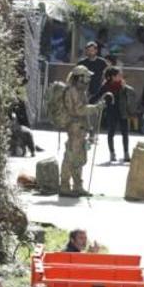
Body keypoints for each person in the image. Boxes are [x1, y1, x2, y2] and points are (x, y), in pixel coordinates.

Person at [55, 65, 97, 197]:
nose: (88, 79)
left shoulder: (80, 91)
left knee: (79, 158)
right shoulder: (72, 91)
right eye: (86, 77)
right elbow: (79, 110)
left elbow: (84, 113)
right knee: (70, 157)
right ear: (80, 77)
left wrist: (90, 128)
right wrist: (95, 108)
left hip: (81, 127)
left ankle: (78, 186)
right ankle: (65, 186)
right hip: (74, 127)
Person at [95, 66, 133, 163]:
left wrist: (125, 88)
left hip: (122, 112)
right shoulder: (106, 86)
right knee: (111, 132)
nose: (121, 76)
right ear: (113, 76)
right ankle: (112, 153)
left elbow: (132, 94)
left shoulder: (123, 85)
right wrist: (88, 104)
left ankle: (126, 153)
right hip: (111, 112)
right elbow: (97, 96)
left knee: (125, 133)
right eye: (119, 75)